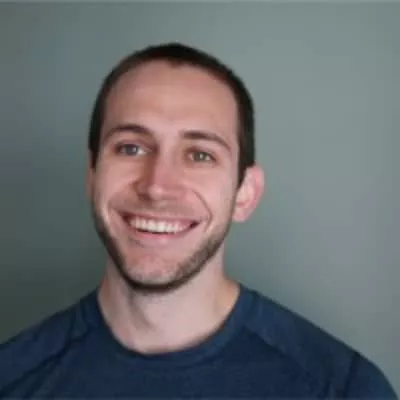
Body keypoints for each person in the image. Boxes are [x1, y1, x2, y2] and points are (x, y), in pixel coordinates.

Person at [0, 42, 396, 399]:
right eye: (131, 148)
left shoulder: (344, 389)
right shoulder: (12, 378)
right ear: (92, 176)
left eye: (200, 155)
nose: (157, 186)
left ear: (245, 194)